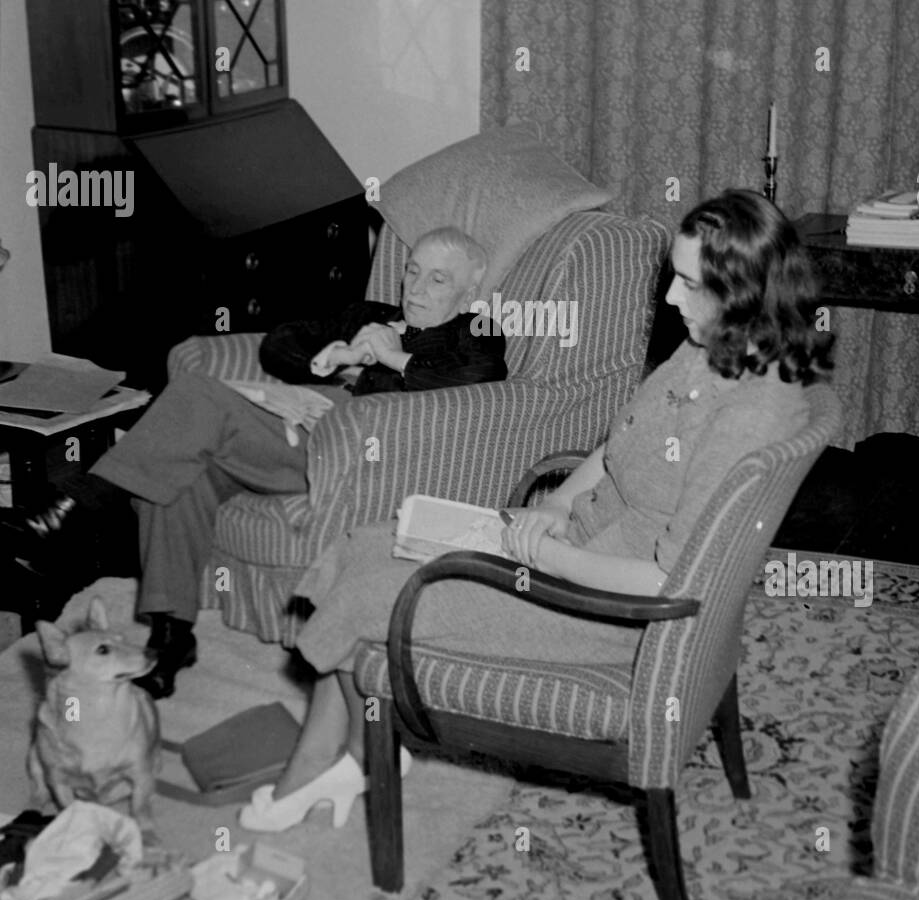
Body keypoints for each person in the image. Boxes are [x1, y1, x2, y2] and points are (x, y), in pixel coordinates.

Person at [237, 189, 835, 832]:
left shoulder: (750, 412)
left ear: (742, 292)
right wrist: (553, 506)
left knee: (371, 591)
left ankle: (323, 763)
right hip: (578, 544)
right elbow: (613, 450)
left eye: (687, 284)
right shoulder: (707, 347)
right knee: (363, 543)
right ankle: (353, 754)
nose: (668, 298)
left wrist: (548, 554)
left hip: (610, 612)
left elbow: (674, 580)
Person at [5, 227, 505, 698]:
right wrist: (332, 358)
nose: (416, 287)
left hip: (357, 459)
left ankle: (76, 509)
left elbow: (482, 375)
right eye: (413, 270)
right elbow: (278, 342)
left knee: (197, 398)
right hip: (293, 436)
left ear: (470, 290)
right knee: (182, 474)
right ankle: (170, 638)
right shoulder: (368, 315)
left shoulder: (473, 331)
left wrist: (393, 358)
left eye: (438, 279)